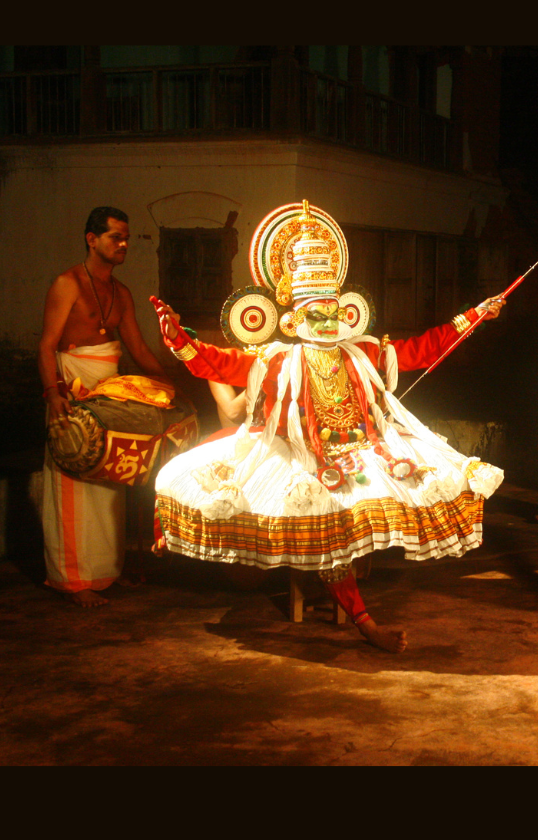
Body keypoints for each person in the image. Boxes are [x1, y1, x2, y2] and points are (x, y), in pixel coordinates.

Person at [151, 201, 506, 653]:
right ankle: (365, 622)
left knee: (396, 500)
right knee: (315, 521)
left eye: (334, 314)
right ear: (295, 319)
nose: (328, 324)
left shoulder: (361, 352)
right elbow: (217, 362)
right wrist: (179, 339)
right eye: (317, 315)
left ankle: (360, 614)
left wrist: (475, 316)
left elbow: (423, 349)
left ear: (346, 312)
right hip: (299, 457)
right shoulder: (277, 359)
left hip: (364, 452)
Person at [38, 207, 169, 607]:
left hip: (109, 395)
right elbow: (46, 345)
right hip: (71, 391)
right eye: (116, 237)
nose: (124, 244)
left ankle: (106, 572)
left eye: (126, 237)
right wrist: (53, 392)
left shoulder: (121, 292)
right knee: (73, 484)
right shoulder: (68, 283)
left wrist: (171, 385)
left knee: (111, 483)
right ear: (92, 239)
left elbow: (139, 349)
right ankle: (74, 581)